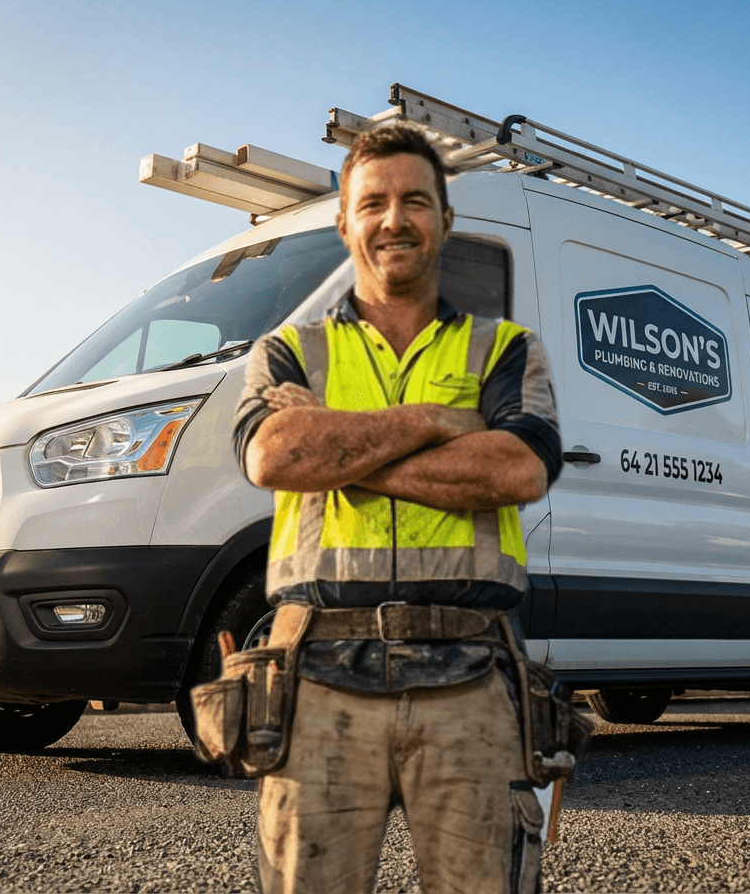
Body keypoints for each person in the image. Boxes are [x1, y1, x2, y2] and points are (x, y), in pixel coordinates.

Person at [232, 122, 563, 894]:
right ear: (343, 220)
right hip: (315, 677)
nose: (393, 219)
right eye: (372, 203)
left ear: (446, 221)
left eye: (416, 201)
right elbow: (275, 457)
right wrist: (438, 422)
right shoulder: (287, 350)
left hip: (473, 677)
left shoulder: (505, 349)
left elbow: (517, 470)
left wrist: (340, 451)